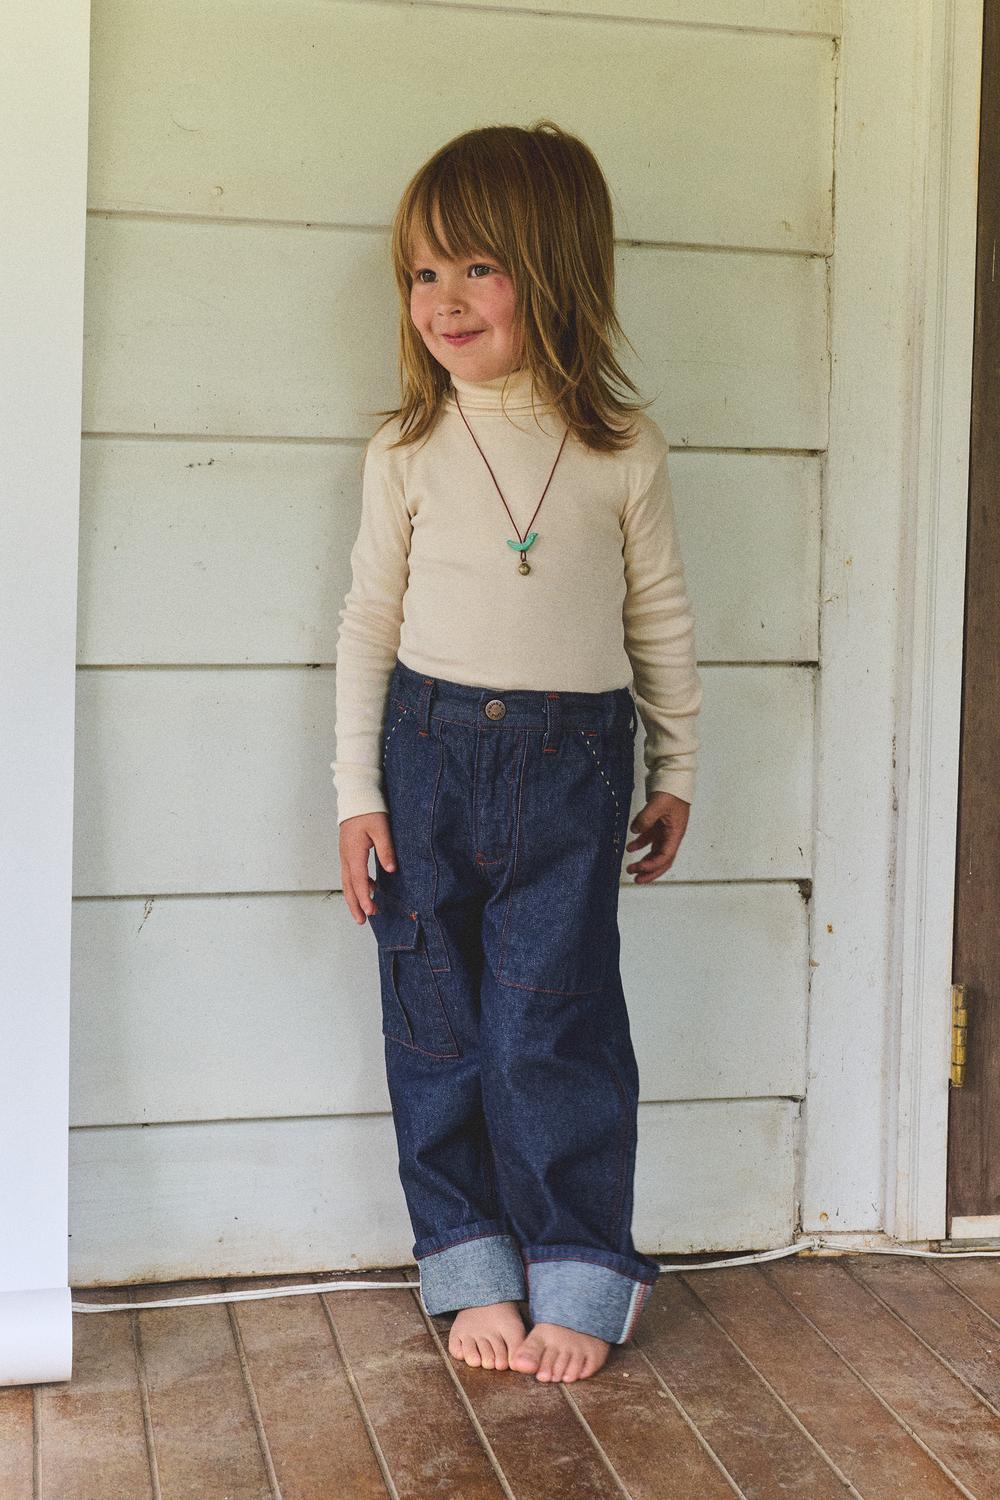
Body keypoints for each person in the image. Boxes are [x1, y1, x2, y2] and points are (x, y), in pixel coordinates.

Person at [332, 119, 702, 1384]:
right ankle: (468, 1260)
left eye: (477, 268)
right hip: (424, 757)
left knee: (554, 1027)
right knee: (436, 1023)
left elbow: (658, 620)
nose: (442, 300)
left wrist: (678, 769)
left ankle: (582, 1270)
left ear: (554, 270)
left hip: (574, 768)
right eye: (422, 273)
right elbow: (367, 624)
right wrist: (355, 793)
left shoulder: (621, 451)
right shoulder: (405, 450)